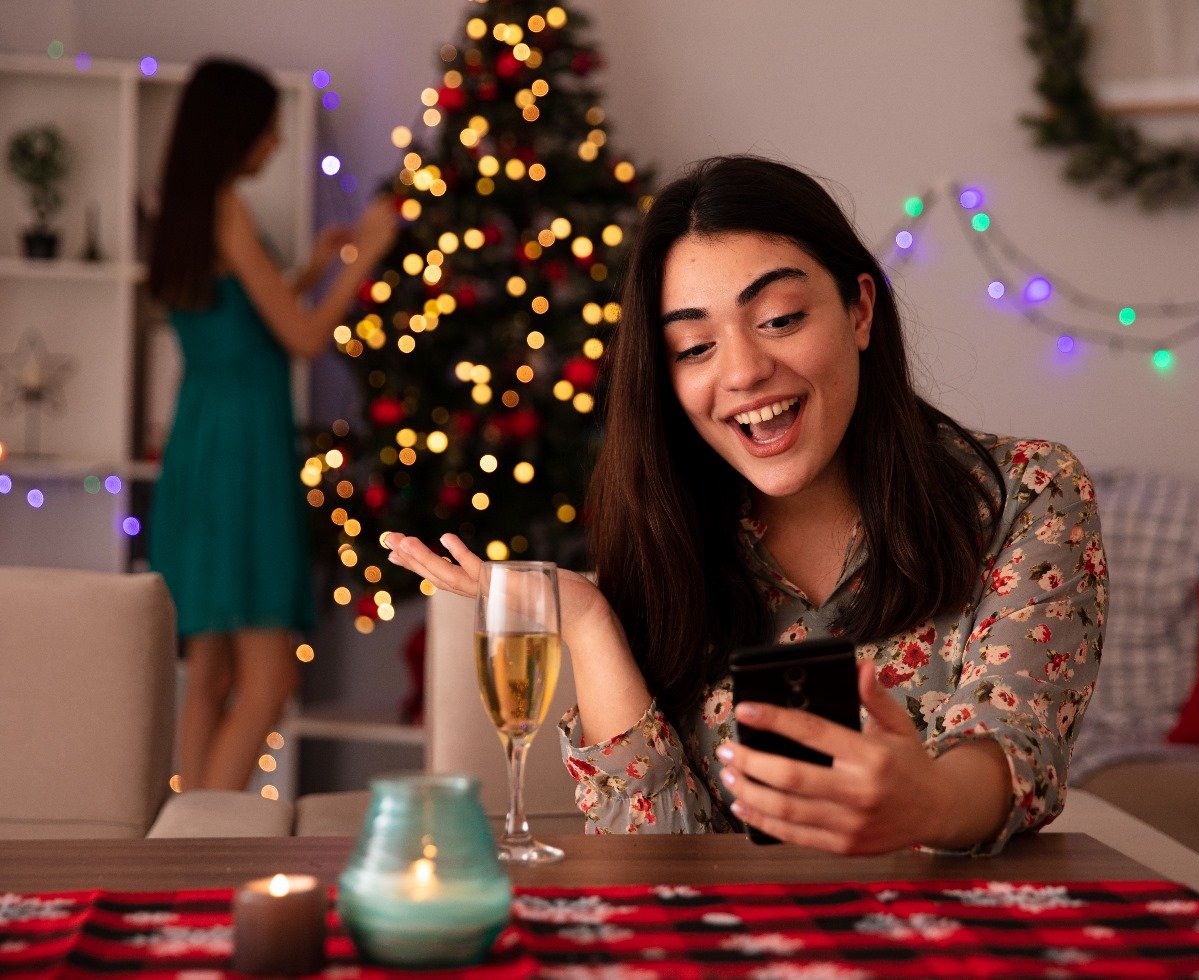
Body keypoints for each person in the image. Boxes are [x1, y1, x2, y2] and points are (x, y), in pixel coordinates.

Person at [384, 155, 1106, 855]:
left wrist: (928, 800)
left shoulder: (1027, 491)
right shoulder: (670, 528)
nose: (743, 371)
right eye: (695, 346)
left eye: (780, 319)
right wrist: (588, 622)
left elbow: (1018, 751)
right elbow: (661, 859)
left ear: (859, 310)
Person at [147, 57, 398, 791]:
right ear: (235, 131)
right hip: (240, 455)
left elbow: (239, 327)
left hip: (201, 445)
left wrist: (312, 269)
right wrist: (363, 256)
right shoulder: (227, 208)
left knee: (212, 672)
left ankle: (181, 839)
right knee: (271, 676)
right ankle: (200, 842)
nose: (277, 140)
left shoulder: (187, 209)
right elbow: (303, 338)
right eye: (266, 127)